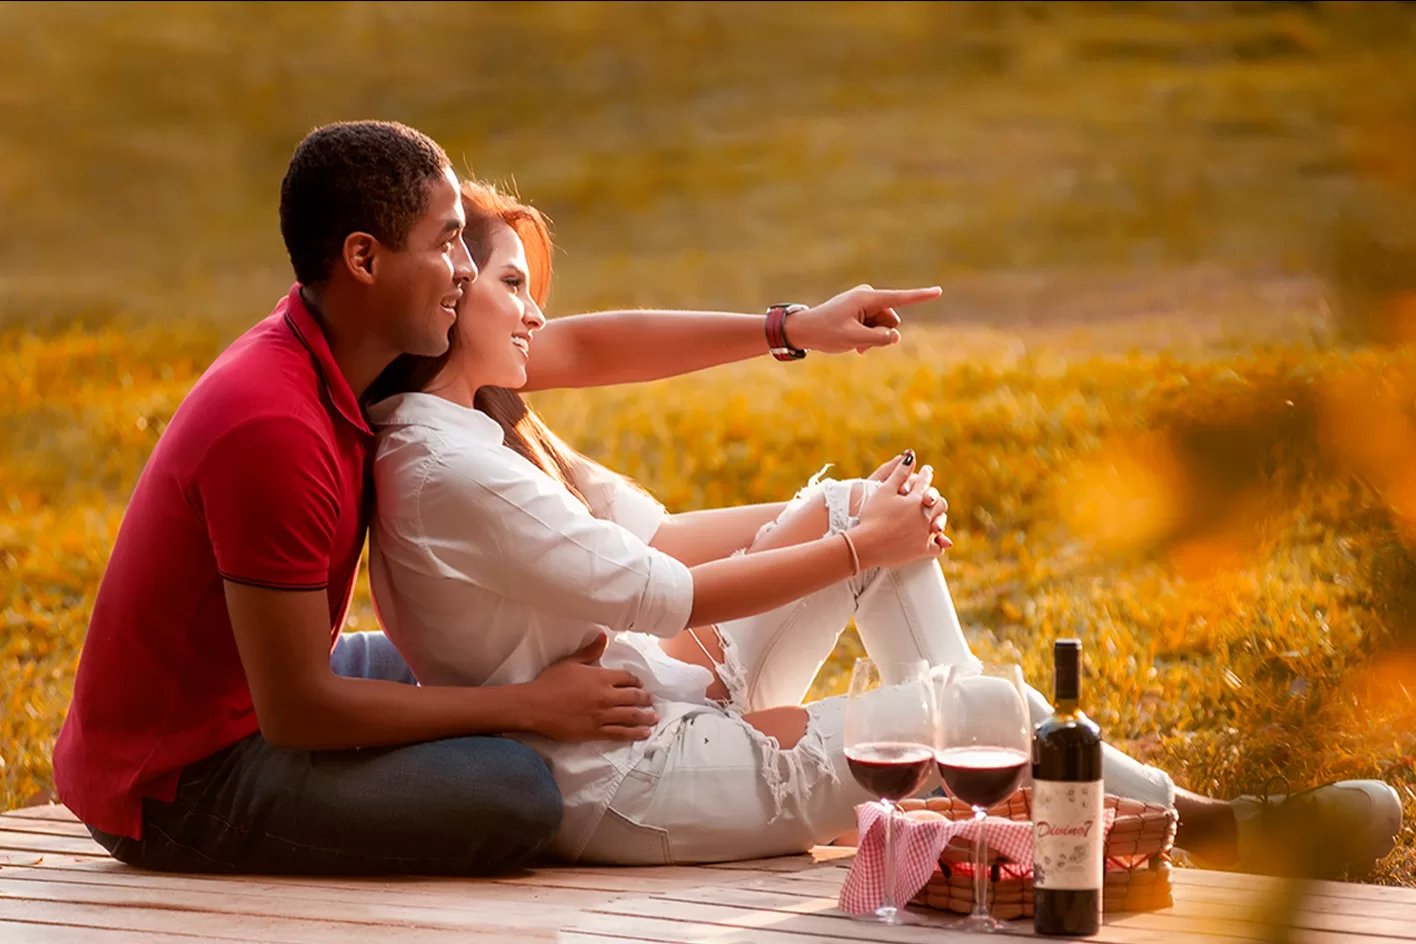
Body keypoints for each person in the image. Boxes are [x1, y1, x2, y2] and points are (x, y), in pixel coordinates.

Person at [365, 179, 1403, 873]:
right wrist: (865, 548)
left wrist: (851, 513)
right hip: (632, 777)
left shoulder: (485, 419)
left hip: (657, 701)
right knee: (980, 700)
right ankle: (1198, 825)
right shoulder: (454, 467)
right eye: (512, 285)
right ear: (450, 301)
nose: (539, 317)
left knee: (860, 520)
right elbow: (668, 593)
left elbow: (656, 530)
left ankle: (990, 785)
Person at [51, 120, 940, 875]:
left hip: (264, 679)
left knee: (488, 654)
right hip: (184, 779)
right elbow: (298, 711)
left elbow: (585, 349)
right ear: (363, 259)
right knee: (513, 790)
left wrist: (792, 327)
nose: (463, 269)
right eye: (446, 243)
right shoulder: (273, 426)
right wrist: (526, 707)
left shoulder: (376, 348)